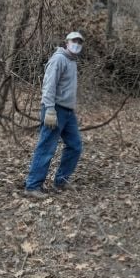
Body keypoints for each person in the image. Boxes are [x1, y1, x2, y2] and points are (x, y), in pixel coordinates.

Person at [24, 31, 85, 198]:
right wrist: (49, 109)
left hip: (67, 112)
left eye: (79, 42)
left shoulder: (72, 62)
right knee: (47, 147)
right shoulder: (59, 59)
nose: (77, 44)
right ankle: (32, 186)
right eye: (74, 41)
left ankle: (61, 181)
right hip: (55, 109)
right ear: (67, 42)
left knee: (75, 146)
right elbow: (48, 85)